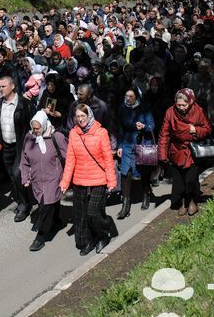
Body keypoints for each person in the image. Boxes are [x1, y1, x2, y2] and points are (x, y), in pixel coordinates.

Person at [60, 104, 118, 255]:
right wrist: (65, 182)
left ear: (89, 115)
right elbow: (70, 159)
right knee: (81, 213)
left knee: (93, 212)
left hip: (98, 179)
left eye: (83, 116)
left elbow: (107, 159)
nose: (80, 120)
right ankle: (88, 241)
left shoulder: (101, 132)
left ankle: (103, 235)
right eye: (78, 117)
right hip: (80, 179)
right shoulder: (73, 133)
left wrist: (112, 181)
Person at [158, 88, 212, 216]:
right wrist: (162, 154)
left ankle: (192, 200)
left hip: (192, 151)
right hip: (176, 151)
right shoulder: (170, 112)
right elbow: (164, 134)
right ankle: (184, 201)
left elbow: (207, 129)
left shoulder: (198, 111)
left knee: (191, 179)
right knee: (179, 181)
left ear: (191, 102)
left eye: (184, 105)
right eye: (179, 105)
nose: (181, 107)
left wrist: (196, 130)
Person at [19, 111, 67, 251]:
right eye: (33, 128)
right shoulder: (29, 137)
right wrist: (25, 177)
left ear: (45, 125)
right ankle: (56, 221)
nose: (35, 131)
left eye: (37, 128)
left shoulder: (56, 136)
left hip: (53, 177)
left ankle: (40, 236)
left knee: (46, 205)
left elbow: (69, 156)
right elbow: (24, 160)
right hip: (37, 179)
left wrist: (67, 177)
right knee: (47, 202)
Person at [0, 75, 35, 222]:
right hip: (5, 146)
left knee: (18, 174)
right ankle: (23, 199)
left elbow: (33, 125)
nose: (0, 89)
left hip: (20, 146)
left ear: (12, 86)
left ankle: (24, 205)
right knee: (12, 176)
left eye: (3, 86)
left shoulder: (25, 104)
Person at [115, 88, 155, 219]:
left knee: (143, 171)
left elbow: (152, 126)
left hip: (142, 142)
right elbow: (119, 128)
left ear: (137, 97)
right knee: (125, 172)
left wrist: (144, 127)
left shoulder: (145, 108)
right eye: (126, 96)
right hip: (127, 142)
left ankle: (146, 194)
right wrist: (119, 145)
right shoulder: (122, 108)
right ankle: (125, 205)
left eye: (131, 96)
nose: (128, 98)